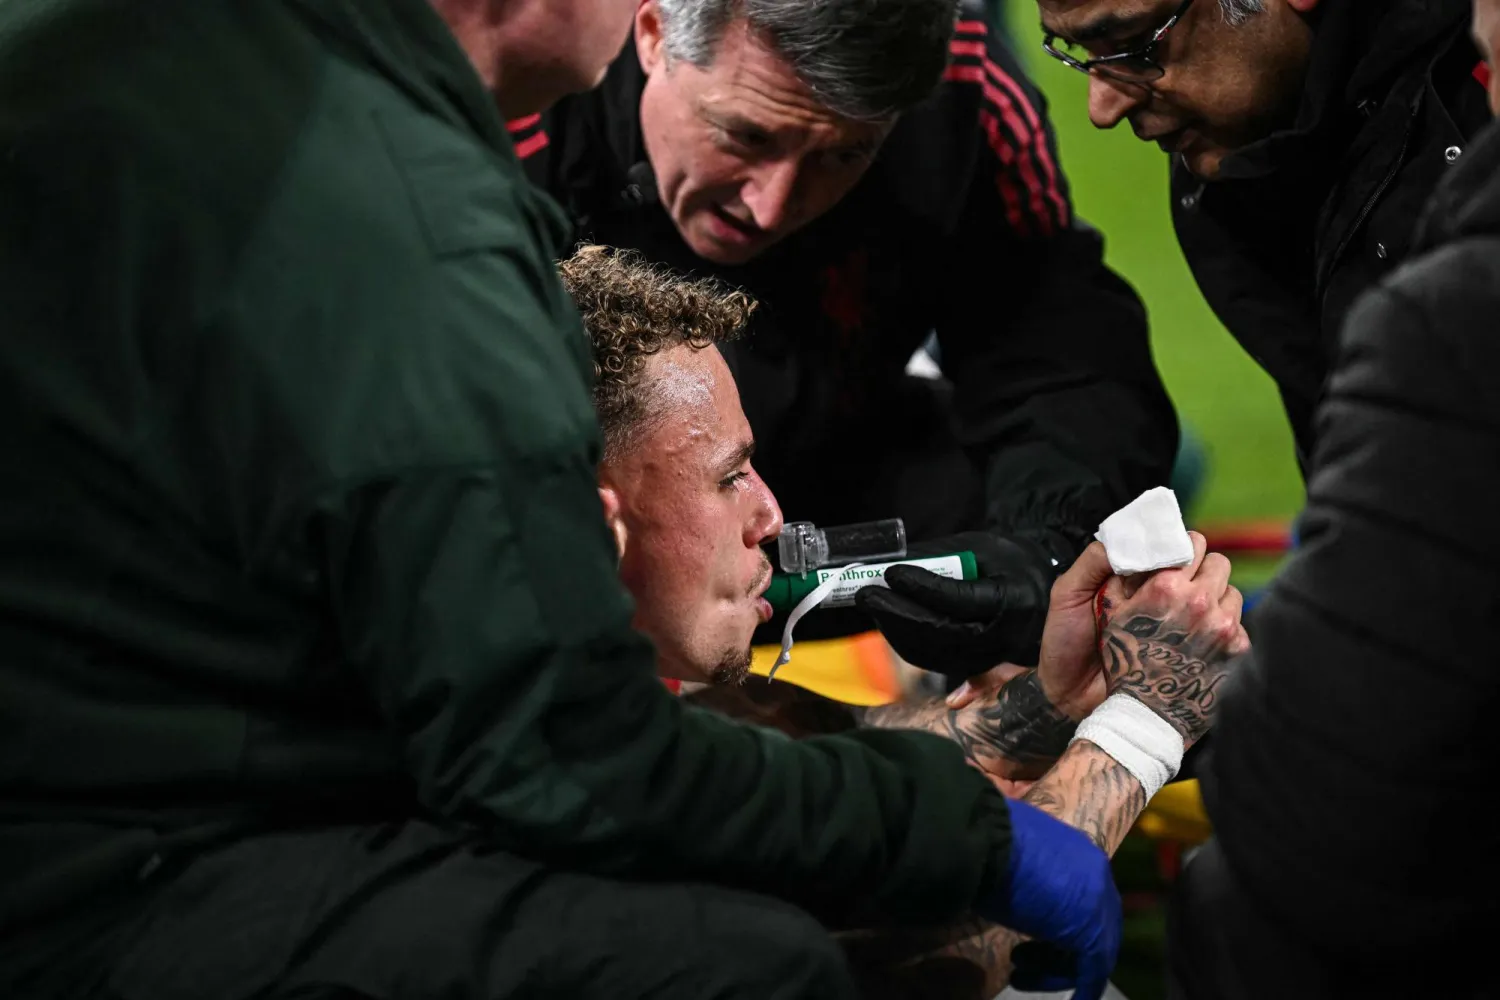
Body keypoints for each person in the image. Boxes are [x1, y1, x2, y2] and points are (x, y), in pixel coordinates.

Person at [0, 2, 1128, 998]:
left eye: (840, 156)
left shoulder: (209, 72)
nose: (781, 197)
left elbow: (1054, 343)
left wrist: (1034, 588)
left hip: (118, 771)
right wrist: (986, 831)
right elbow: (570, 760)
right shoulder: (431, 239)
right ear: (594, 517)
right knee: (746, 957)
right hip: (114, 867)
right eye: (747, 134)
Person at [560, 244, 1251, 999]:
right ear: (600, 527)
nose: (770, 514)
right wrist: (1144, 726)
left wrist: (1046, 708)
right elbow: (933, 974)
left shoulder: (530, 665)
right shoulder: (552, 799)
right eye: (730, 478)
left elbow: (756, 764)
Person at [517, 0, 1179, 675]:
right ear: (654, 36)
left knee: (1092, 537)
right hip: (566, 520)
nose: (769, 206)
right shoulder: (515, 93)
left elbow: (1058, 358)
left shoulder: (964, 91)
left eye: (842, 155)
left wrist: (1044, 557)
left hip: (831, 473)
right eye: (744, 136)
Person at [1165, 1, 1500, 994]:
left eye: (1132, 42)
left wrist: (1142, 734)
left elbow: (1313, 818)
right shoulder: (1235, 170)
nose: (1098, 103)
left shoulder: (1458, 317)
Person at [1036, 0, 1490, 466]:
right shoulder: (1234, 159)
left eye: (1134, 45)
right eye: (1077, 53)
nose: (1102, 108)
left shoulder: (1477, 108)